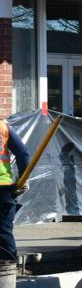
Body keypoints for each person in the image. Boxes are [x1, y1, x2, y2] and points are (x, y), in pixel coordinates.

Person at [0, 119, 32, 279]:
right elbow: (23, 153)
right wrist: (23, 179)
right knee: (3, 232)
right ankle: (10, 272)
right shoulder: (2, 127)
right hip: (3, 187)